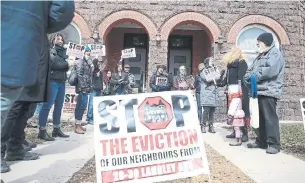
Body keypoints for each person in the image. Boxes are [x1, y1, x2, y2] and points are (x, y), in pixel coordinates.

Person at [1, 1, 75, 173]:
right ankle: (4, 148)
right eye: (58, 38)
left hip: (25, 59)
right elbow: (62, 10)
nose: (59, 39)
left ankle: (15, 145)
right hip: (18, 48)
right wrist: (38, 22)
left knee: (22, 109)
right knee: (10, 107)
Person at [244, 33, 285, 154]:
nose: (257, 45)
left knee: (269, 119)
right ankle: (261, 141)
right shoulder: (260, 56)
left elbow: (271, 70)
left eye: (259, 43)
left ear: (265, 42)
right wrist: (248, 77)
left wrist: (252, 76)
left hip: (269, 91)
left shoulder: (275, 54)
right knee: (259, 118)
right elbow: (250, 70)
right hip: (258, 91)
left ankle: (274, 144)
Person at [38, 34, 75, 141]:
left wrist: (71, 62)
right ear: (53, 40)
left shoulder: (64, 53)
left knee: (59, 106)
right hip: (52, 82)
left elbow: (63, 66)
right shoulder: (51, 51)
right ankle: (42, 130)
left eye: (61, 39)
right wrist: (68, 64)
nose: (60, 41)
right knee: (47, 106)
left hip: (62, 82)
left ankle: (56, 129)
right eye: (58, 39)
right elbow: (54, 65)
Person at [218, 47, 250, 142]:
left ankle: (244, 133)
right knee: (232, 111)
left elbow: (241, 78)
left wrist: (240, 91)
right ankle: (235, 131)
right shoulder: (230, 65)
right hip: (231, 90)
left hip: (239, 90)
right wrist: (220, 83)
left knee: (241, 111)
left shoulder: (242, 62)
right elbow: (227, 79)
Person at [74, 47, 94, 134]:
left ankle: (79, 123)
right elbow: (79, 74)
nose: (89, 53)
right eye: (87, 52)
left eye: (89, 52)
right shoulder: (81, 60)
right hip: (82, 88)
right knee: (80, 105)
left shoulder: (89, 62)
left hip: (86, 87)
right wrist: (82, 88)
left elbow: (89, 74)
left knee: (83, 106)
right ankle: (77, 125)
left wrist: (92, 64)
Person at [199, 57, 221, 133]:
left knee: (212, 111)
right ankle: (203, 125)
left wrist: (218, 74)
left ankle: (211, 126)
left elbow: (218, 78)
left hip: (213, 93)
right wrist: (216, 75)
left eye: (213, 60)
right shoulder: (203, 71)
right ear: (207, 62)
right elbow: (207, 79)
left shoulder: (214, 70)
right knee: (206, 111)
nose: (212, 62)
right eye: (211, 61)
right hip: (207, 94)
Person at [87, 58, 104, 125]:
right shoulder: (93, 70)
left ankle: (95, 118)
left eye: (101, 62)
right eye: (99, 62)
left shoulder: (101, 71)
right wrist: (95, 74)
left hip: (99, 89)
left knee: (97, 104)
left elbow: (101, 80)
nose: (100, 63)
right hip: (94, 89)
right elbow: (91, 75)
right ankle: (90, 118)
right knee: (91, 104)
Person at [195, 63, 204, 131]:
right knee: (199, 108)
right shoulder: (197, 76)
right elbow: (195, 85)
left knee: (204, 108)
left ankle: (203, 122)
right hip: (198, 92)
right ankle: (199, 122)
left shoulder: (206, 76)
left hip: (205, 93)